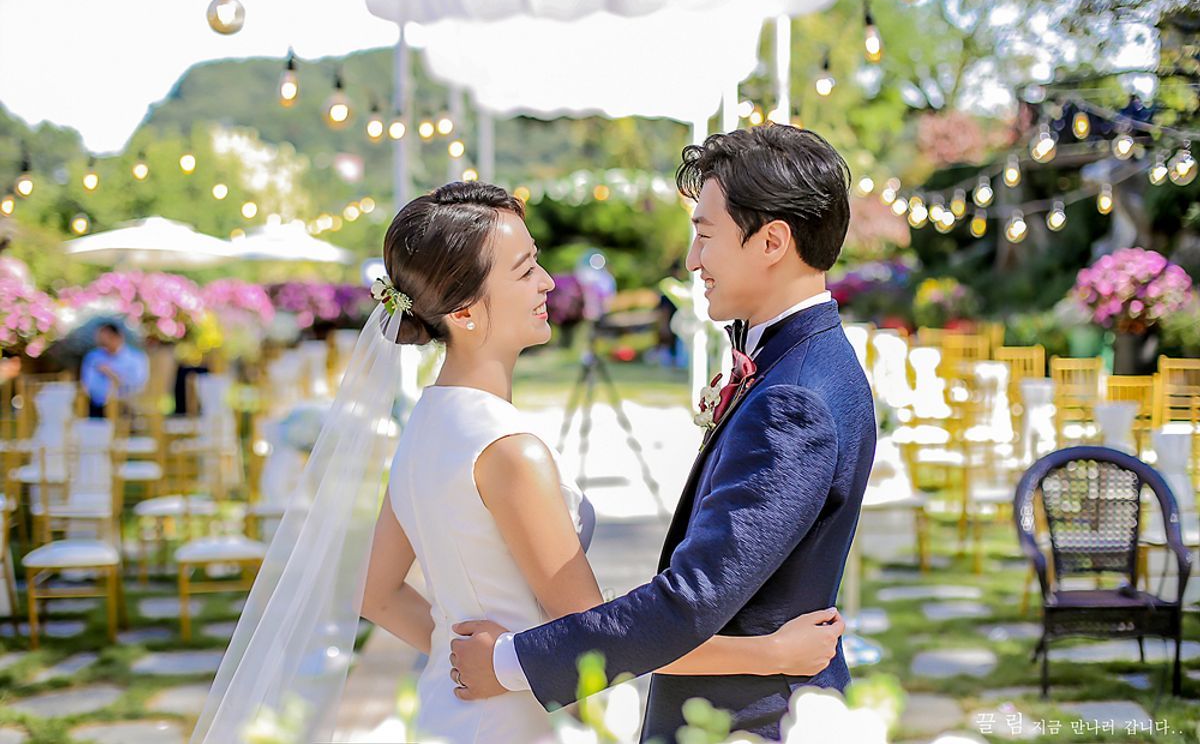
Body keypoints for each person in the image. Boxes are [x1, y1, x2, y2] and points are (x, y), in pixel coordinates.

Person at [189, 181, 844, 744]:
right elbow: (602, 639)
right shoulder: (509, 451)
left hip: (448, 713)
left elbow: (375, 592)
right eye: (525, 270)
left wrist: (473, 656)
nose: (548, 283)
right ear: (465, 311)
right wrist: (770, 653)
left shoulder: (427, 421)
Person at [450, 125, 876, 742]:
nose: (693, 260)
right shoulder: (802, 362)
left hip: (746, 723)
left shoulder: (795, 399)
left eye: (705, 234)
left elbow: (689, 602)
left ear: (772, 242)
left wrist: (509, 663)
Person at [80, 322, 148, 418]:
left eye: (108, 339)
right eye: (101, 342)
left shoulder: (136, 358)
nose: (105, 345)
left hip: (127, 407)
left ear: (119, 337)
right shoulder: (93, 357)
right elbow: (89, 384)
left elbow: (138, 384)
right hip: (98, 408)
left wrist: (113, 375)